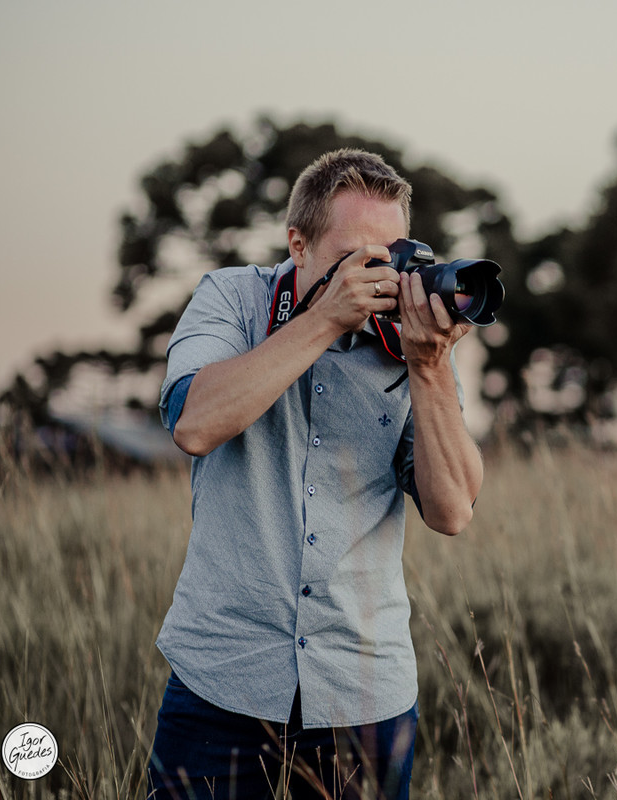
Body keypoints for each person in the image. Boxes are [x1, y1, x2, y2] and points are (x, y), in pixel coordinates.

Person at [147, 148, 484, 799]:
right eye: (357, 255)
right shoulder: (233, 299)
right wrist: (327, 318)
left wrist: (430, 366)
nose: (378, 274)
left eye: (392, 254)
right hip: (222, 680)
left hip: (365, 697)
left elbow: (452, 512)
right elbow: (193, 423)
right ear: (297, 243)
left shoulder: (413, 346)